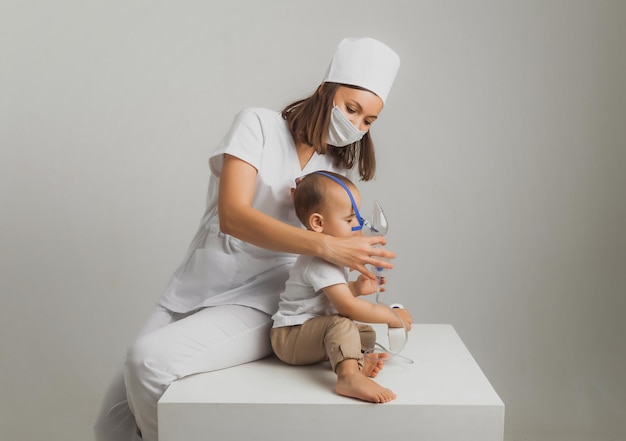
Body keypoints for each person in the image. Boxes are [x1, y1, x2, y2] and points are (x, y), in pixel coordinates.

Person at [94, 37, 401, 441]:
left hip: (265, 297)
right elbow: (233, 216)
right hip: (199, 280)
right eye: (351, 109)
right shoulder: (257, 125)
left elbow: (335, 239)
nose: (356, 126)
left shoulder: (332, 168)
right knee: (112, 424)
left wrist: (360, 267)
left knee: (147, 363)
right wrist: (328, 246)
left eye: (368, 121)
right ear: (327, 91)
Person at [270, 171, 412, 403]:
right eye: (349, 220)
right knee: (343, 324)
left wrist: (355, 287)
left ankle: (354, 362)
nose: (358, 225)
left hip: (310, 332)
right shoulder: (318, 260)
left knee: (364, 333)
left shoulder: (332, 259)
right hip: (289, 337)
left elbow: (325, 295)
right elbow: (347, 308)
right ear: (318, 223)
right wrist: (391, 316)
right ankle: (348, 377)